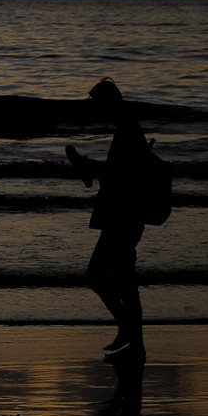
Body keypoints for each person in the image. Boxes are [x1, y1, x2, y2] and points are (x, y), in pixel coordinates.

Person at [65, 78, 150, 362]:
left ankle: (128, 331)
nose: (96, 110)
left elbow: (120, 175)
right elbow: (121, 172)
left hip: (122, 217)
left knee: (98, 275)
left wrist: (88, 166)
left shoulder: (127, 131)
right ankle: (135, 344)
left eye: (98, 104)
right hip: (126, 216)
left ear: (108, 102)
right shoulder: (128, 128)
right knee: (124, 280)